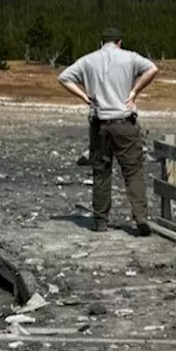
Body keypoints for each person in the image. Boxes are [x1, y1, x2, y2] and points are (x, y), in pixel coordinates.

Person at [58, 27, 160, 235]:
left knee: (101, 172)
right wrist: (134, 92)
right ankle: (140, 216)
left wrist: (85, 97)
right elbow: (152, 69)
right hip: (124, 121)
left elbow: (64, 77)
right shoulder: (130, 58)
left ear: (101, 42)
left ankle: (101, 220)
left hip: (99, 122)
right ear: (119, 42)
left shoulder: (88, 60)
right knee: (133, 171)